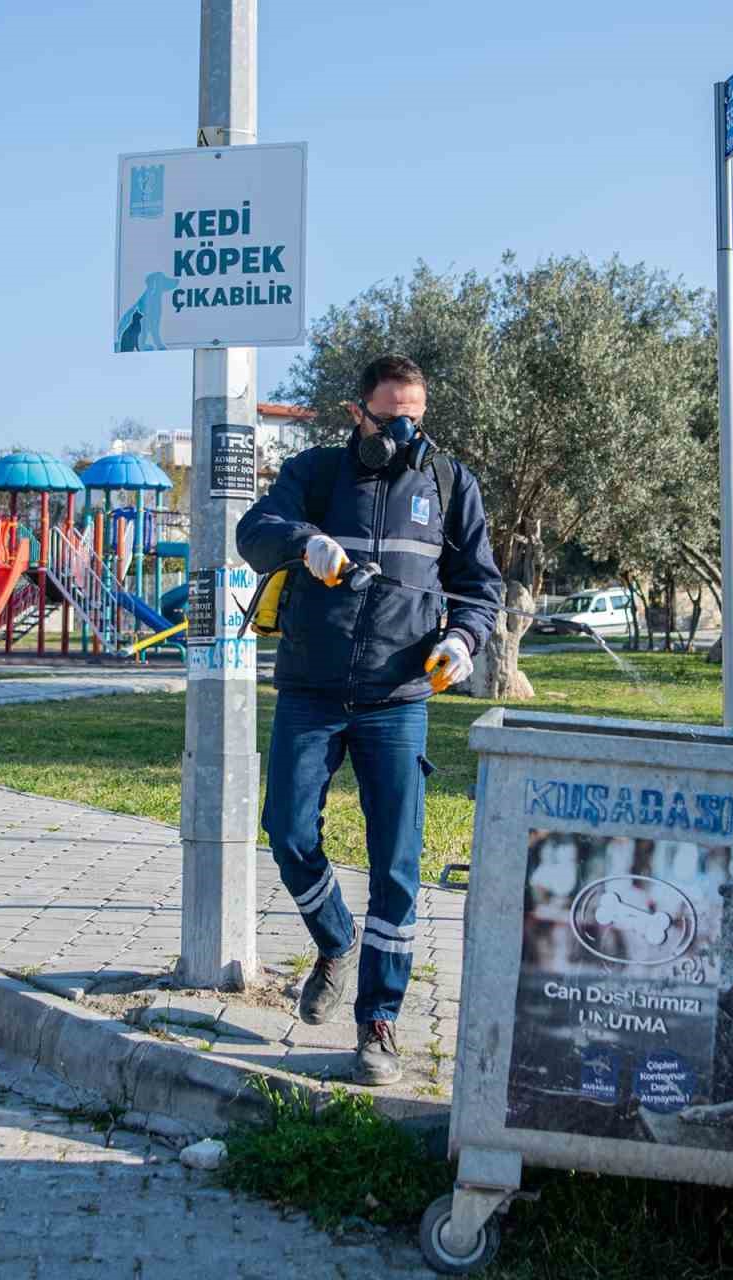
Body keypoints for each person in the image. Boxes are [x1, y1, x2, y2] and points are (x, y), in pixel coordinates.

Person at [237, 354, 503, 1085]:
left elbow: (481, 588)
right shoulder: (317, 474)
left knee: (397, 866)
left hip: (399, 699)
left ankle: (379, 1023)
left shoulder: (450, 485)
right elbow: (254, 532)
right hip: (312, 689)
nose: (406, 431)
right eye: (392, 417)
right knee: (287, 832)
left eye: (417, 416)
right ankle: (335, 938)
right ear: (359, 414)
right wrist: (303, 543)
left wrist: (462, 639)